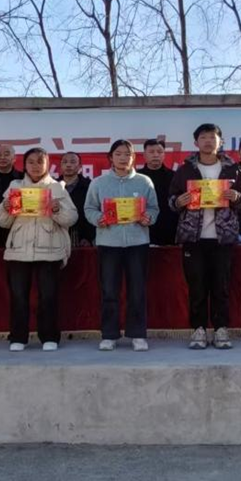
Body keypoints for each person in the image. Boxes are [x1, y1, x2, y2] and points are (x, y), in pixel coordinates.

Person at [168, 123, 241, 350]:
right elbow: (171, 200)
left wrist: (236, 197)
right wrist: (178, 201)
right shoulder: (185, 170)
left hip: (223, 238)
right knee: (197, 287)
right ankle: (199, 329)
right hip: (193, 237)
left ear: (220, 142)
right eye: (203, 137)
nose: (208, 141)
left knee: (221, 286)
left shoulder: (232, 169)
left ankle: (221, 329)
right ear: (196, 142)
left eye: (212, 137)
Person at [0, 148, 78, 352]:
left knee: (48, 296)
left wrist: (57, 209)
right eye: (31, 162)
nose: (35, 166)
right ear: (24, 165)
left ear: (48, 164)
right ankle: (18, 337)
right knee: (18, 296)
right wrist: (6, 207)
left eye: (40, 162)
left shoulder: (57, 187)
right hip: (19, 249)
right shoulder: (15, 186)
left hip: (49, 248)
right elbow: (2, 221)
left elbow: (71, 218)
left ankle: (49, 336)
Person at [84, 139, 159, 352]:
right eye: (118, 154)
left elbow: (154, 208)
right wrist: (98, 218)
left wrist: (148, 218)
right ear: (111, 157)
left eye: (128, 154)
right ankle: (109, 335)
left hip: (138, 243)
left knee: (137, 291)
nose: (123, 158)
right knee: (109, 291)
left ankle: (137, 334)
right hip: (109, 243)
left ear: (134, 158)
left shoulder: (144, 182)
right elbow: (89, 208)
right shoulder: (98, 183)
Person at [138, 139, 178, 245]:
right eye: (151, 152)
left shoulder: (174, 176)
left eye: (159, 152)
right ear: (144, 155)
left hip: (169, 229)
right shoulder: (136, 178)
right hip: (143, 229)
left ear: (164, 155)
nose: (156, 155)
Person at [57, 151, 95, 246]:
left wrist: (88, 237)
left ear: (80, 166)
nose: (68, 165)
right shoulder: (53, 186)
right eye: (65, 162)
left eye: (73, 162)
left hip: (82, 238)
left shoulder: (89, 186)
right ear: (61, 166)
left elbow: (93, 211)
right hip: (57, 236)